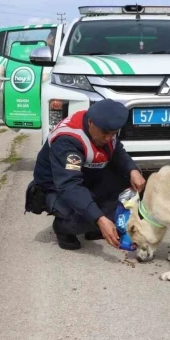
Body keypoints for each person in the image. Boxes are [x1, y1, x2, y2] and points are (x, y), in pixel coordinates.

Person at [32, 99, 146, 250]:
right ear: (90, 122)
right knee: (84, 216)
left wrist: (133, 170)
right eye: (105, 133)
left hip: (87, 176)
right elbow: (69, 185)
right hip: (57, 185)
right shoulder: (68, 140)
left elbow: (117, 150)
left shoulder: (104, 127)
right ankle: (63, 228)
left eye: (112, 134)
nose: (108, 138)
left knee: (129, 186)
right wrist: (99, 219)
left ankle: (93, 227)